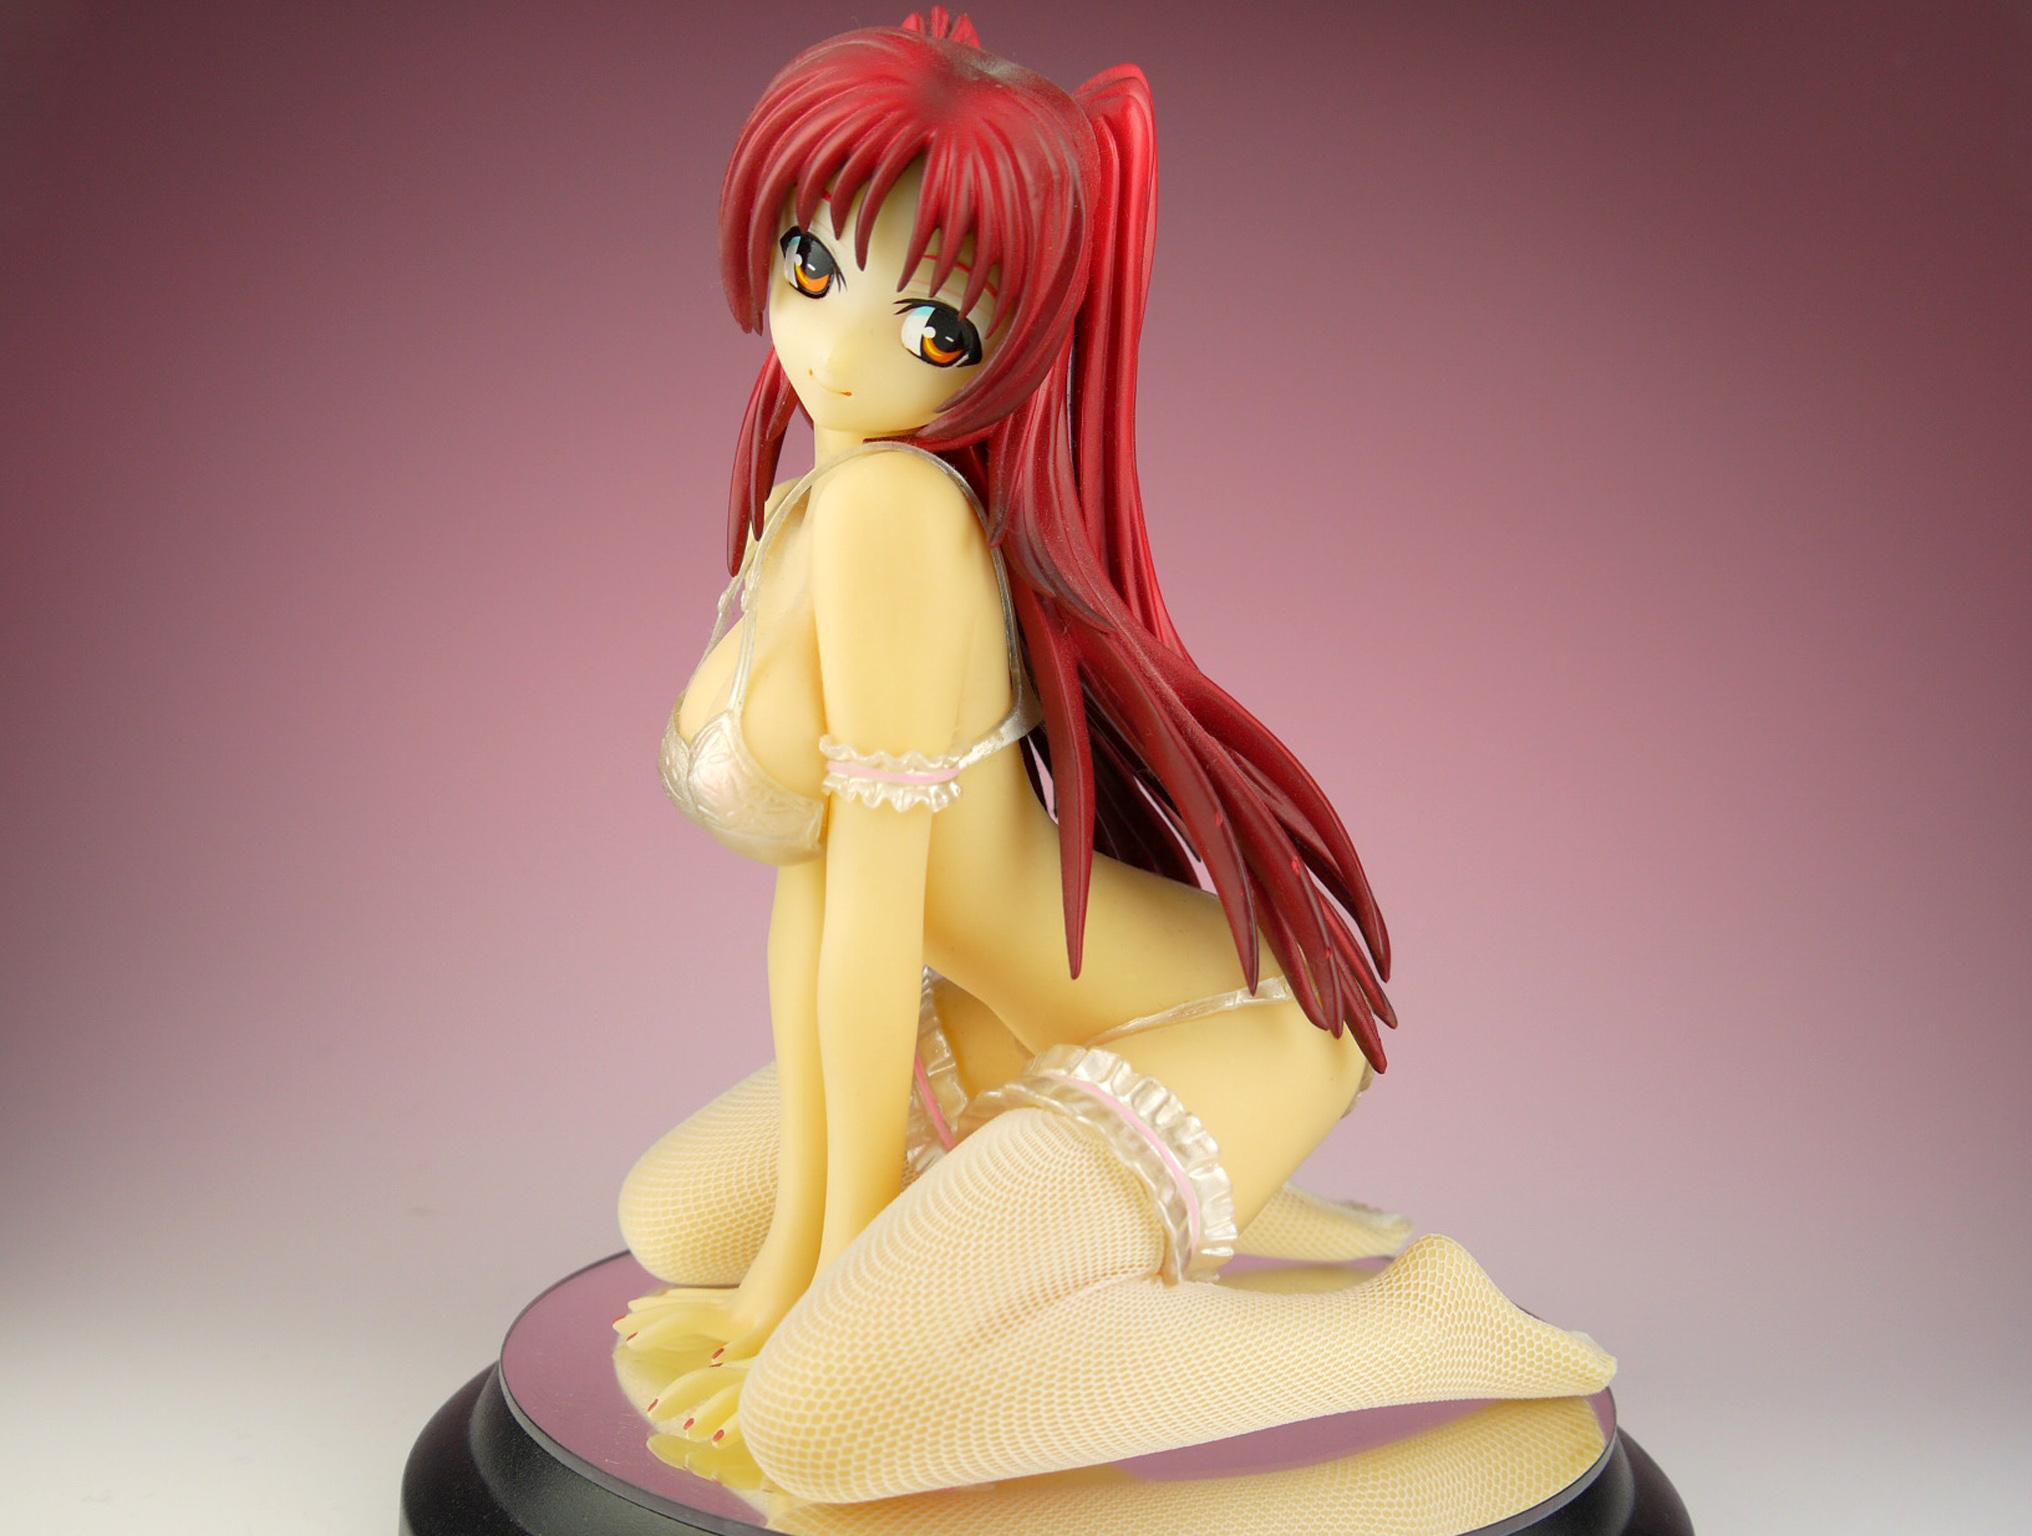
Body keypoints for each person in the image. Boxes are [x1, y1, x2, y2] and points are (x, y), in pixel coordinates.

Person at [614, 9, 1615, 1502]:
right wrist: (774, 1277)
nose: (834, 351)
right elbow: (813, 906)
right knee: (676, 1219)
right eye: (812, 267)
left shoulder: (897, 520)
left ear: (1015, 346)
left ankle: (1417, 1323)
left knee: (830, 1421)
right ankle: (1094, 1236)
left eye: (934, 329)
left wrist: (821, 1294)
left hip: (1208, 1024)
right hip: (1021, 1020)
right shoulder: (818, 505)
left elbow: (876, 934)